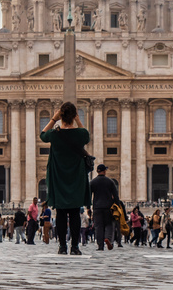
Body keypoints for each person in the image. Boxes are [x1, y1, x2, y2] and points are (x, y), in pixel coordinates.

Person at [39, 101, 91, 255]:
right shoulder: (80, 134)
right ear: (74, 115)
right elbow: (86, 136)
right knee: (75, 214)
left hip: (59, 177)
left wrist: (53, 119)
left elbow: (42, 135)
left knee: (61, 214)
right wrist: (78, 120)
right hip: (75, 177)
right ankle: (75, 247)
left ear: (61, 115)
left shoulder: (55, 134)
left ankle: (62, 246)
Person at [90, 163, 119, 251]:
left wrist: (88, 207)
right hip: (108, 207)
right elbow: (115, 195)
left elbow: (88, 195)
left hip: (97, 208)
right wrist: (117, 205)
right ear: (105, 171)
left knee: (98, 227)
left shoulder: (93, 182)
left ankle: (100, 246)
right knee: (109, 225)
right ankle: (108, 239)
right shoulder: (110, 181)